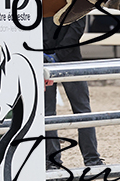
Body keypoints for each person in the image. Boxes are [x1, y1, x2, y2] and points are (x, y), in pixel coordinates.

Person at [43, 17, 103, 168]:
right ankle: (90, 159)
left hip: (58, 57)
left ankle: (88, 158)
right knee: (75, 110)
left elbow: (78, 26)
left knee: (79, 110)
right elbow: (77, 26)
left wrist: (51, 53)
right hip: (63, 56)